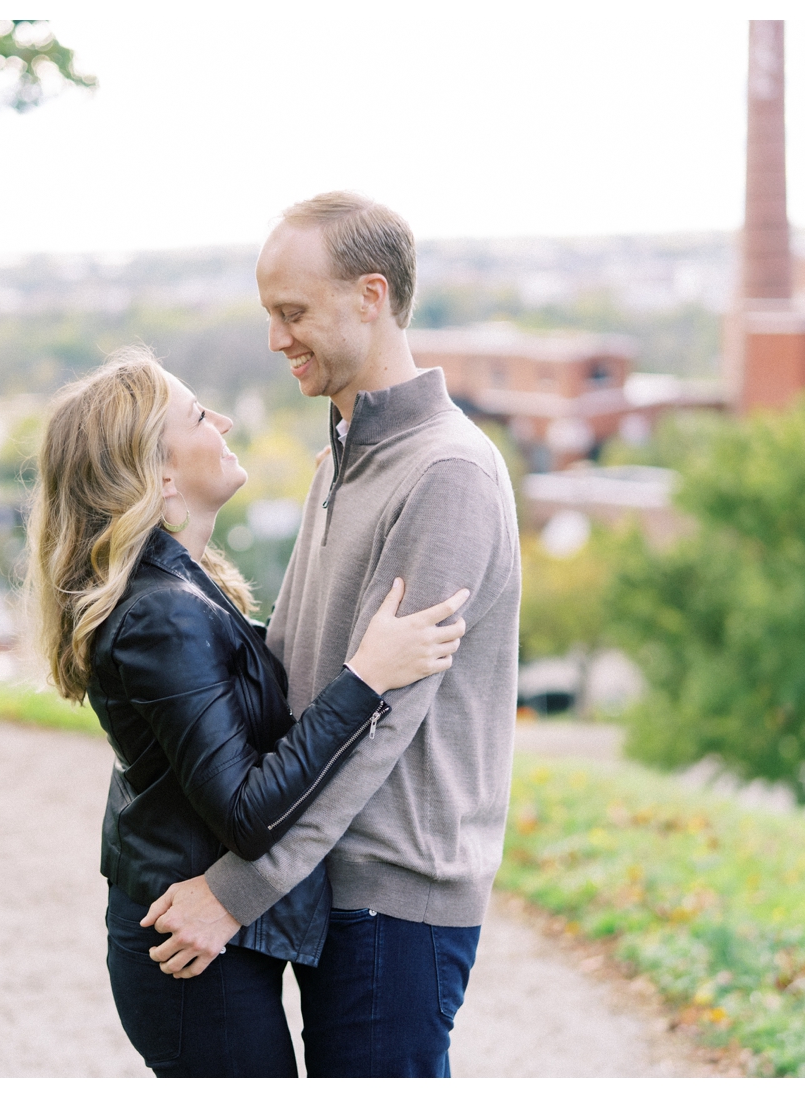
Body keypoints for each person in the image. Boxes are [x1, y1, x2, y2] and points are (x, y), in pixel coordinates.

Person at [141, 193, 523, 1077]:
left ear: (371, 296)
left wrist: (232, 896)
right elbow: (298, 673)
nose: (277, 338)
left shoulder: (447, 476)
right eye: (270, 314)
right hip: (325, 885)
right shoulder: (345, 459)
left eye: (293, 313)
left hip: (394, 903)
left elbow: (379, 726)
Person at [27, 347, 471, 1077]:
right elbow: (245, 809)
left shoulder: (183, 590)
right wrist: (368, 677)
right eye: (200, 416)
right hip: (190, 963)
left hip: (206, 948)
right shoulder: (161, 616)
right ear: (160, 475)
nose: (224, 420)